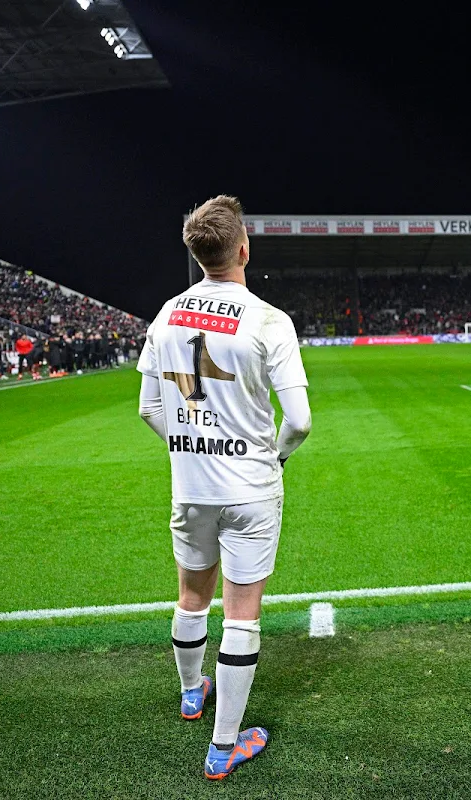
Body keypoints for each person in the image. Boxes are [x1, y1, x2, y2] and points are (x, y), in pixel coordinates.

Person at [138, 195, 311, 780]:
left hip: (191, 487)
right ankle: (224, 746)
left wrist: (187, 448)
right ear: (243, 248)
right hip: (250, 489)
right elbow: (301, 421)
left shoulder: (166, 314)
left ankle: (192, 694)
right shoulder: (269, 321)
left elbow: (147, 408)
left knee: (192, 595)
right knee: (241, 614)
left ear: (195, 252)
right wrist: (275, 456)